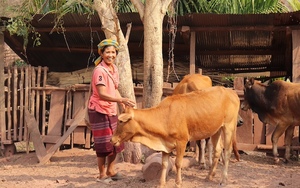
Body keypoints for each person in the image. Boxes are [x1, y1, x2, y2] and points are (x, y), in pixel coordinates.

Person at [88, 38, 135, 182]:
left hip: (111, 110)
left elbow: (114, 89)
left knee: (116, 141)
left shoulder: (113, 69)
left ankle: (111, 170)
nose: (111, 55)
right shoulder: (99, 71)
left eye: (113, 52)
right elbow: (102, 93)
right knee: (103, 143)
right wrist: (121, 100)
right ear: (101, 53)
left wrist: (122, 103)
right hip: (99, 111)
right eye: (107, 52)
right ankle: (102, 174)